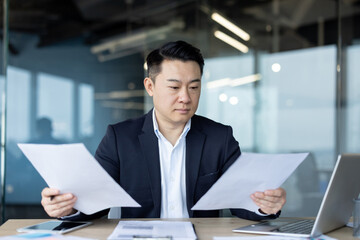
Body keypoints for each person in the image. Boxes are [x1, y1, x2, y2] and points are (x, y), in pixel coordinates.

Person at [41, 41, 286, 221]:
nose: (185, 97)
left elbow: (242, 203)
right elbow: (94, 204)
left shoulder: (219, 137)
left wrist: (266, 205)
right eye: (174, 86)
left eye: (193, 87)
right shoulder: (119, 138)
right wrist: (67, 207)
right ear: (150, 86)